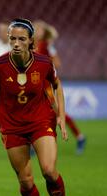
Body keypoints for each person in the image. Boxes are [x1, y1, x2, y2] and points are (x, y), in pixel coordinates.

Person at [0, 18, 79, 196]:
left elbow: (57, 84)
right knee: (25, 180)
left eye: (21, 39)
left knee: (48, 170)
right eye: (12, 39)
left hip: (40, 121)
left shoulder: (44, 63)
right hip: (12, 127)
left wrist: (61, 116)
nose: (16, 43)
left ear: (30, 41)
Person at [34, 20, 86, 155]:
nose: (36, 31)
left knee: (57, 112)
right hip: (35, 84)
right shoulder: (32, 45)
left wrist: (46, 70)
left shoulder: (46, 45)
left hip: (46, 85)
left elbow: (57, 63)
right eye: (34, 29)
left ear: (44, 32)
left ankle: (79, 137)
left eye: (38, 29)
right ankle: (34, 145)